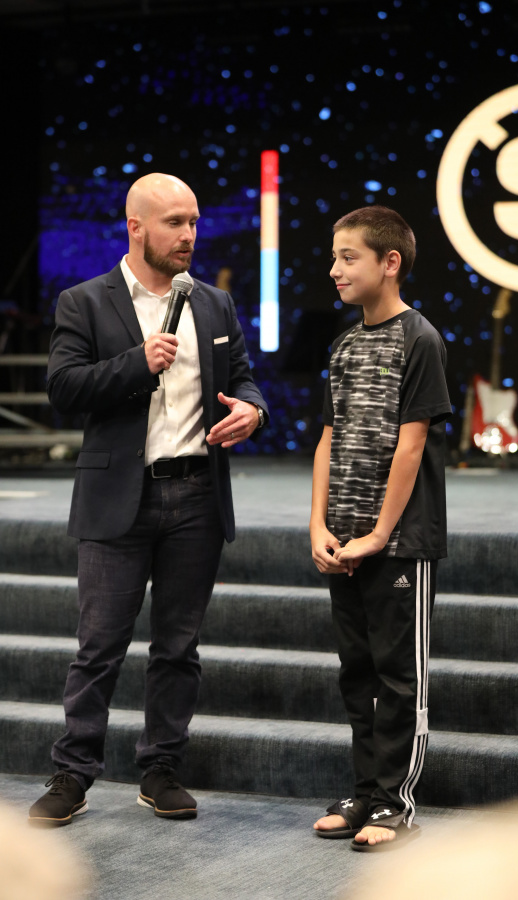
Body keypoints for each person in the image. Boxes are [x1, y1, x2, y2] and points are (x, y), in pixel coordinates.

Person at [29, 173, 268, 827]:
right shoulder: (84, 301)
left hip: (196, 495)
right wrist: (138, 362)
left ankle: (161, 769)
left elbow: (244, 377)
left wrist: (252, 410)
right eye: (174, 223)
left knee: (178, 647)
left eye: (193, 222)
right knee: (99, 646)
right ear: (135, 227)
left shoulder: (214, 304)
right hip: (118, 498)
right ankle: (73, 773)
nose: (189, 235)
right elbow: (64, 389)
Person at [310, 206, 451, 851]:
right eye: (334, 257)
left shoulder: (420, 339)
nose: (335, 270)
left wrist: (377, 535)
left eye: (349, 257)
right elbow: (328, 439)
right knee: (357, 672)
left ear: (390, 262)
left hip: (396, 543)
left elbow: (411, 446)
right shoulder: (344, 344)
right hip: (344, 540)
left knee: (398, 677)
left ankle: (396, 801)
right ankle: (364, 791)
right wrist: (319, 524)